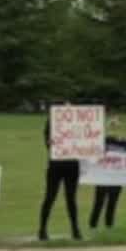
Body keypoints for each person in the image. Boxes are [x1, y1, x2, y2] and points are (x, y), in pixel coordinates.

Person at [40, 101, 82, 241]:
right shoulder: (53, 122)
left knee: (71, 199)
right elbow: (47, 138)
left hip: (72, 165)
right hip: (56, 164)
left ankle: (75, 229)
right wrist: (49, 143)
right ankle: (42, 229)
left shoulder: (78, 125)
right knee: (50, 197)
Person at [89, 116, 126, 233]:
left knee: (112, 203)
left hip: (117, 178)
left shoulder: (125, 143)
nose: (115, 129)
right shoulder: (103, 141)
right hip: (103, 176)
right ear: (109, 128)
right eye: (113, 126)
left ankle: (109, 226)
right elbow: (94, 156)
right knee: (99, 202)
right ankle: (93, 226)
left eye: (118, 127)